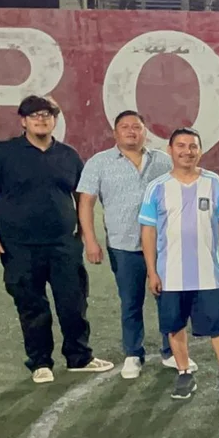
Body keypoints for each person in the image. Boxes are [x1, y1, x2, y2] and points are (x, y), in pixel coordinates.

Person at [0, 95, 112, 383]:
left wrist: (87, 237)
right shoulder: (3, 153)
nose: (41, 119)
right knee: (31, 305)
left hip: (64, 245)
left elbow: (82, 198)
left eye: (48, 114)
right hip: (19, 247)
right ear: (23, 121)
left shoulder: (68, 155)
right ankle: (40, 362)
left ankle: (79, 357)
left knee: (73, 303)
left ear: (55, 120)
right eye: (35, 115)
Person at [139, 128, 219, 402]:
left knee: (218, 326)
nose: (187, 151)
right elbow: (148, 231)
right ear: (170, 150)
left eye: (193, 146)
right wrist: (152, 270)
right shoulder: (157, 187)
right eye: (181, 146)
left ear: (201, 150)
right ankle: (184, 372)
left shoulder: (213, 182)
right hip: (170, 273)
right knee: (174, 325)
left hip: (207, 272)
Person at [77, 110, 178, 379]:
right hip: (123, 245)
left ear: (145, 131)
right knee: (130, 302)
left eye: (137, 126)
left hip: (162, 244)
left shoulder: (163, 161)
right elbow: (85, 202)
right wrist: (91, 241)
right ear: (115, 133)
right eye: (125, 127)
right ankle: (133, 354)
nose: (131, 131)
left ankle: (172, 352)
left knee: (168, 300)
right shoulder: (99, 162)